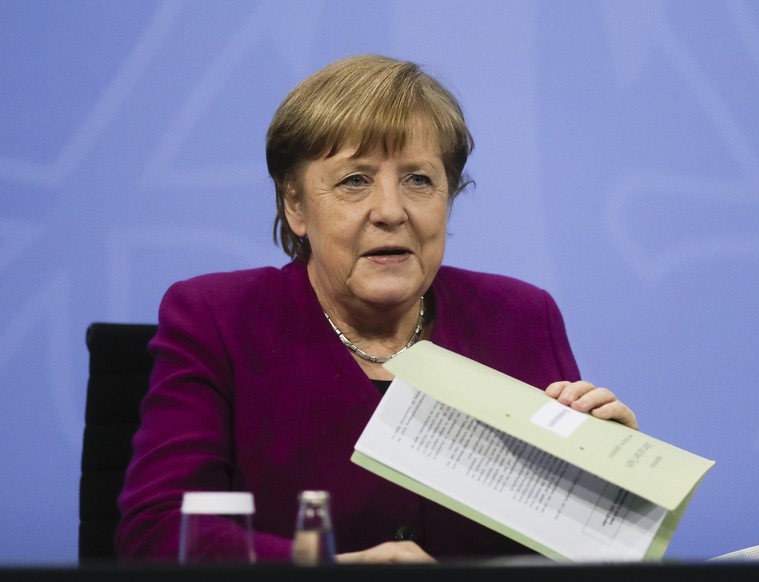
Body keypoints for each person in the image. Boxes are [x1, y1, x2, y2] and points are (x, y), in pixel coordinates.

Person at [116, 53, 638, 564]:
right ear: (294, 205)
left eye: (418, 180)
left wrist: (611, 484)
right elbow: (158, 529)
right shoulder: (218, 318)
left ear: (448, 196)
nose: (391, 211)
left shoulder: (521, 316)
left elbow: (574, 546)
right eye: (354, 181)